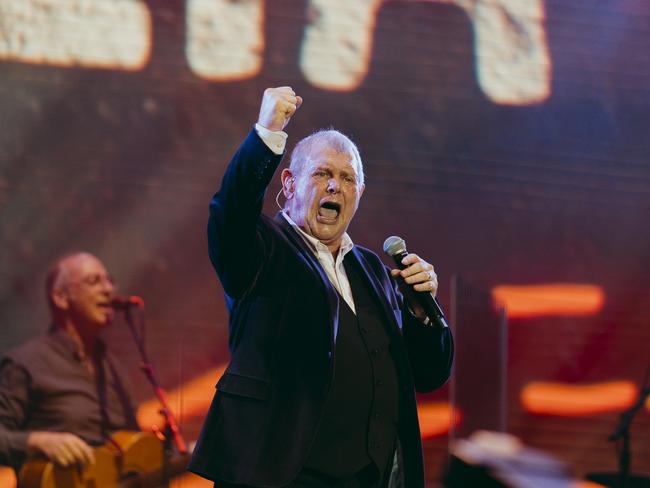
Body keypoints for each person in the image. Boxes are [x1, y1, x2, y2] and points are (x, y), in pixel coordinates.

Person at [188, 87, 454, 488]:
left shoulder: (374, 271)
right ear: (291, 184)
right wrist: (268, 132)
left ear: (358, 195)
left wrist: (421, 314)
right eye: (322, 173)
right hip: (280, 475)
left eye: (347, 178)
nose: (335, 187)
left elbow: (429, 375)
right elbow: (230, 211)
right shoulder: (263, 249)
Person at [0, 252, 139, 472]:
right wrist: (38, 441)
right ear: (60, 297)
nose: (108, 290)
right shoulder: (25, 363)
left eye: (109, 281)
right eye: (94, 281)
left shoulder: (114, 369)